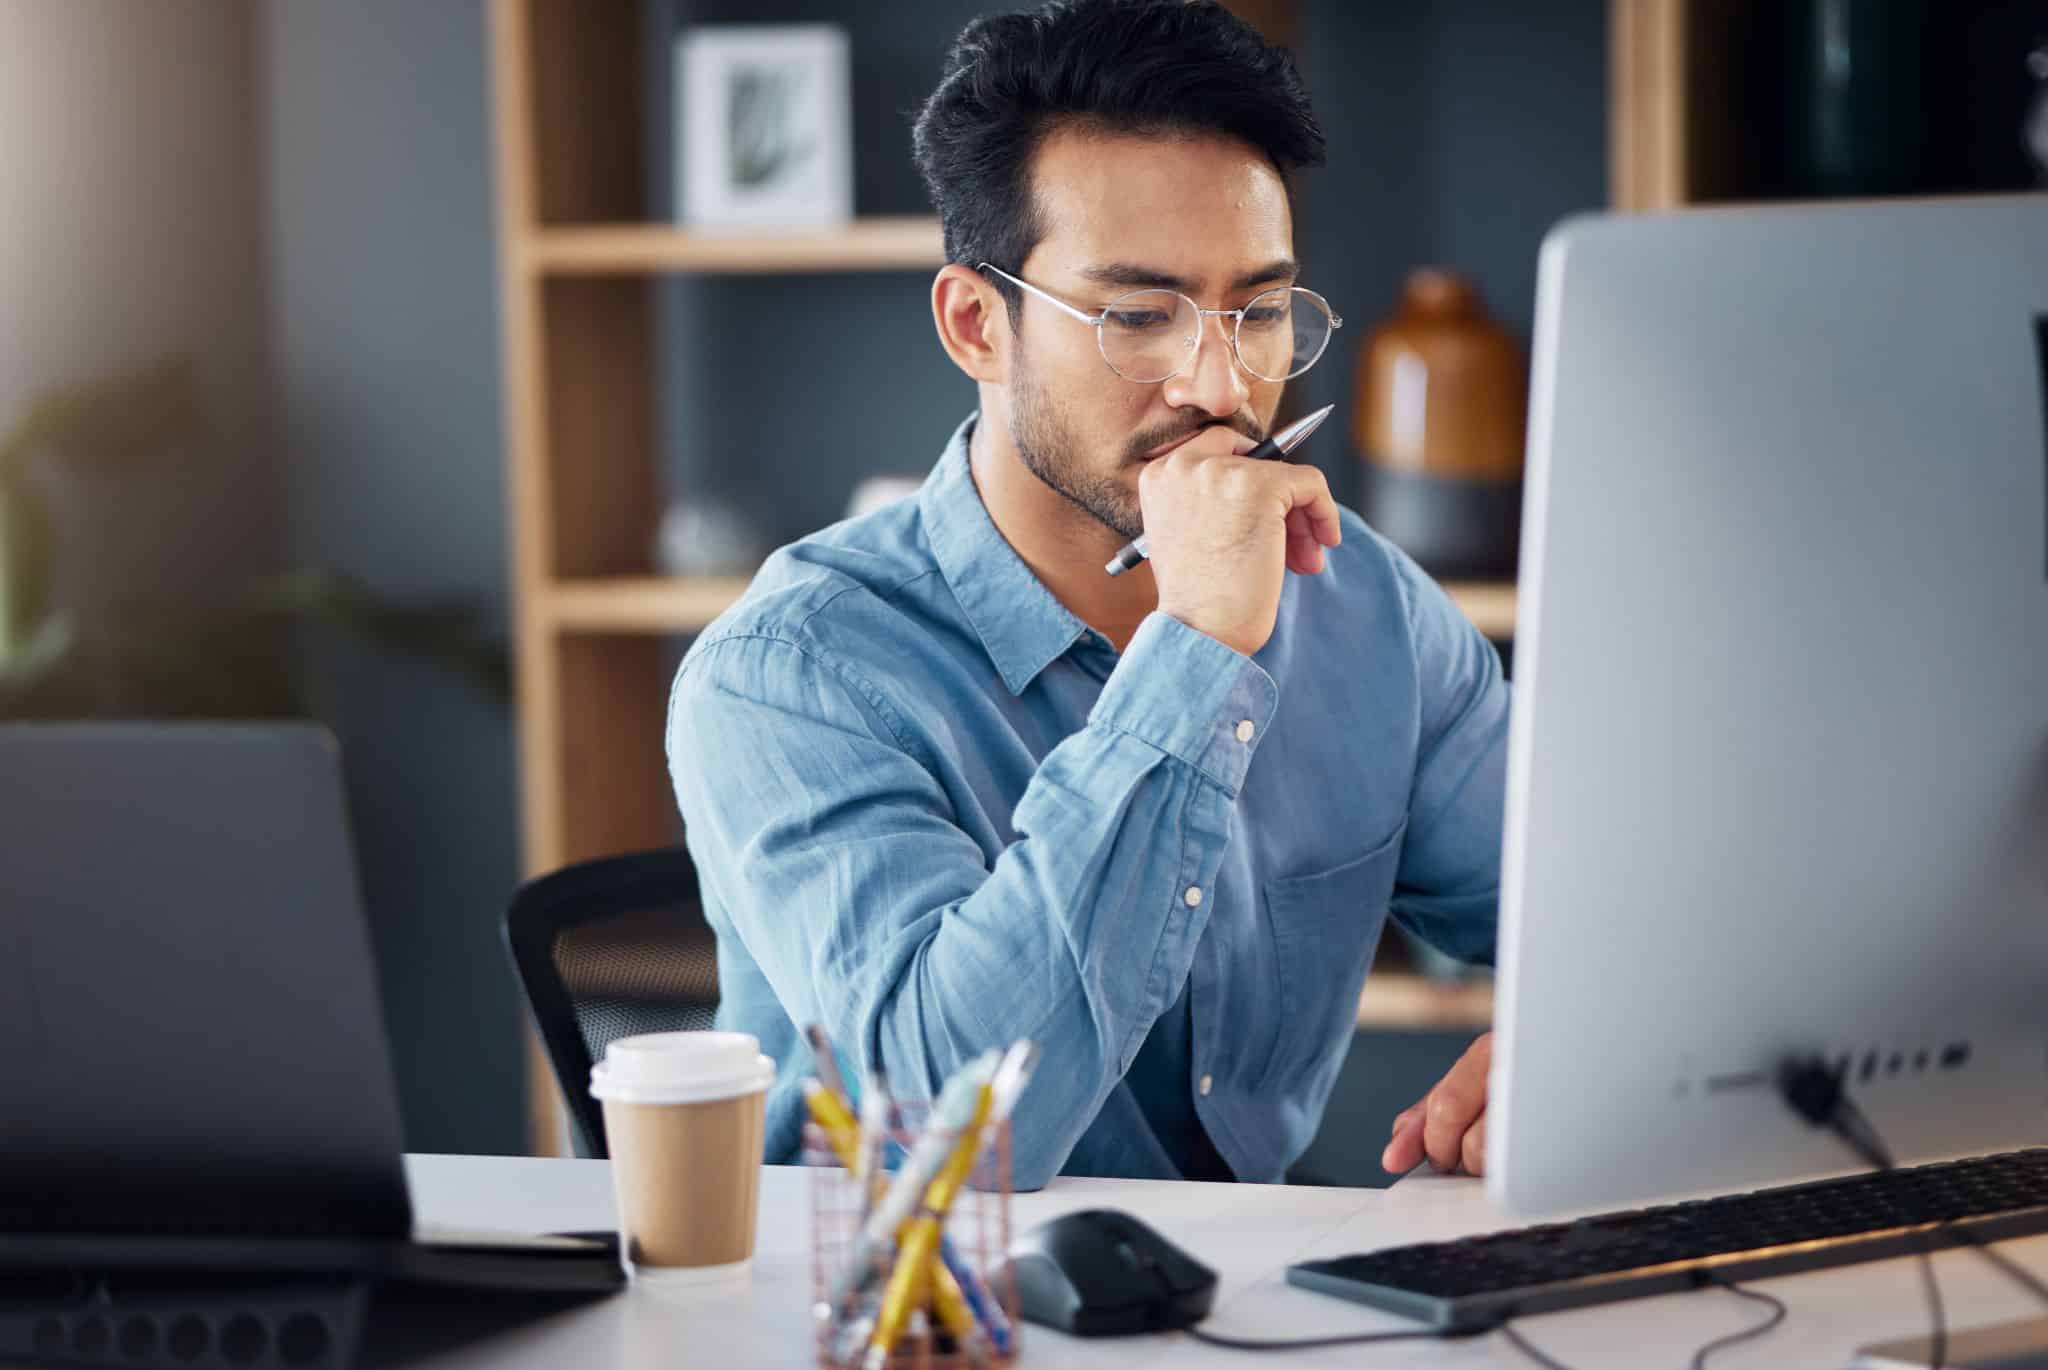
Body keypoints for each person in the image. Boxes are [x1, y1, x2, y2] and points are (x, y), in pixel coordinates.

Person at [667, 0, 1506, 1189]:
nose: (1219, 383)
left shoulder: (1362, 600)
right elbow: (961, 1139)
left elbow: (1604, 912)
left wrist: (1550, 1045)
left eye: (1257, 309)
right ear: (975, 323)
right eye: (1137, 316)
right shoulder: (788, 673)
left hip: (1242, 1305)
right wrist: (1197, 647)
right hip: (917, 1311)